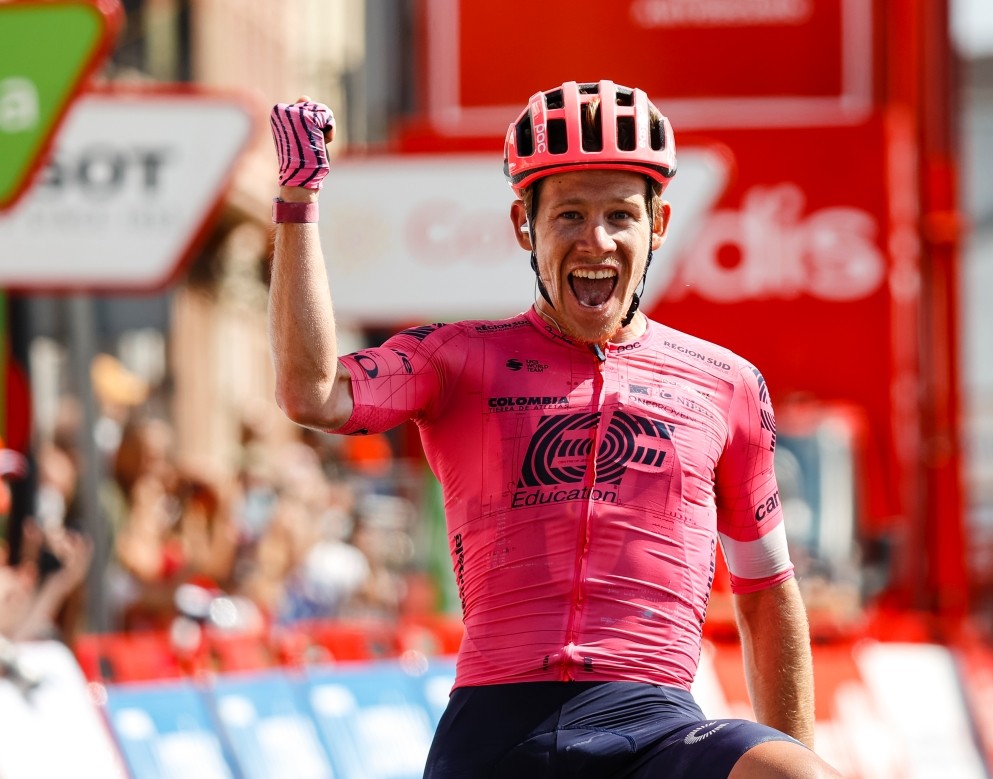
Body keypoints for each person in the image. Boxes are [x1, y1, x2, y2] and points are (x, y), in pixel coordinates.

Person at [268, 80, 840, 778]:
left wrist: (796, 756)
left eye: (620, 215)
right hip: (499, 736)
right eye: (569, 214)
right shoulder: (457, 358)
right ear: (524, 226)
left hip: (656, 727)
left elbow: (767, 590)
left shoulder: (726, 384)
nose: (596, 239)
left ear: (658, 225)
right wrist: (297, 203)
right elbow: (313, 392)